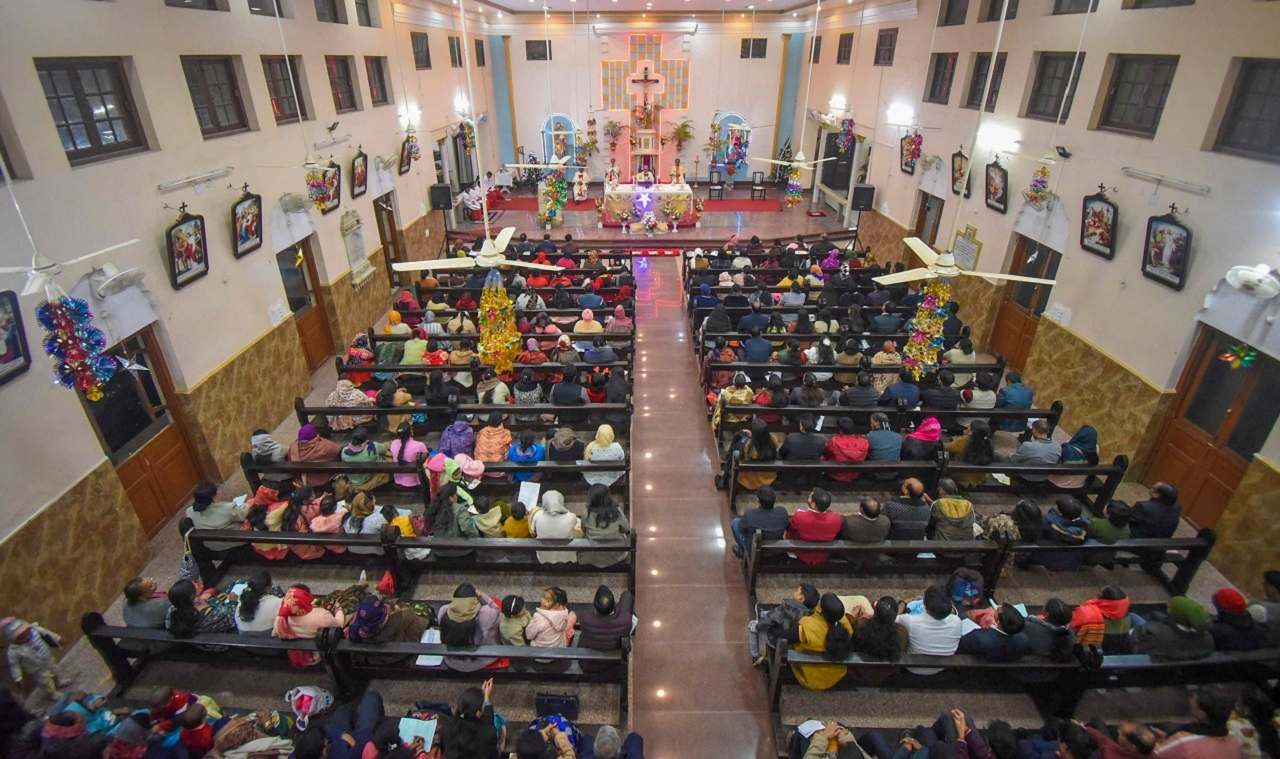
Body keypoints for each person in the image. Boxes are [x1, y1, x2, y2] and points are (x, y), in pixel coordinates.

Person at [791, 593, 855, 690]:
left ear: (820, 609)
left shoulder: (808, 626)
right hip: (837, 674)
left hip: (811, 677)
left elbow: (785, 636)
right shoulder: (846, 625)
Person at [1154, 689, 1244, 757]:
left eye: (1192, 710)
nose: (1190, 714)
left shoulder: (1183, 741)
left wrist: (1150, 741)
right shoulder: (1236, 741)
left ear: (1202, 714)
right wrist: (1167, 741)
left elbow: (1153, 755)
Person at [896, 585, 964, 674]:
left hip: (912, 667)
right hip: (941, 667)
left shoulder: (910, 621)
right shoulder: (957, 621)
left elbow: (893, 618)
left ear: (924, 604)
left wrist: (902, 603)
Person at [1130, 595, 1214, 661]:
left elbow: (1136, 648)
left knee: (1132, 616)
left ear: (1175, 616)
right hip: (1179, 666)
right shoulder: (1208, 640)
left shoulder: (1154, 633)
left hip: (1154, 668)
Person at [440, 680, 501, 759]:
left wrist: (484, 698)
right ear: (478, 713)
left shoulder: (447, 727)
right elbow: (488, 728)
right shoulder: (488, 733)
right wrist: (486, 699)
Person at [184, 480, 248, 551]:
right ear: (213, 497)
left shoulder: (189, 511)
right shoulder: (228, 509)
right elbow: (245, 514)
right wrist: (245, 504)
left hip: (211, 548)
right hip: (234, 544)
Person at [786, 488, 843, 565]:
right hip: (824, 553)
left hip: (802, 552)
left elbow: (790, 529)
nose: (808, 498)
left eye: (810, 497)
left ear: (813, 504)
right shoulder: (836, 518)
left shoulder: (800, 516)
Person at [730, 486, 790, 558]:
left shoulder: (751, 515)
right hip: (777, 549)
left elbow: (741, 529)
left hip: (756, 551)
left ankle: (743, 551)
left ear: (758, 500)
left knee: (735, 523)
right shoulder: (782, 512)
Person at [957, 603, 1030, 662]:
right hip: (1002, 662)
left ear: (998, 621)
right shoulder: (1023, 639)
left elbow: (960, 646)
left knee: (961, 615)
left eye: (997, 611)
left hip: (978, 663)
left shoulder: (978, 637)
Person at [165, 579, 235, 637]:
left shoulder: (172, 612)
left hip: (190, 646)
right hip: (214, 646)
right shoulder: (211, 616)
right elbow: (231, 619)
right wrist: (232, 602)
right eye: (195, 585)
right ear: (193, 597)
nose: (198, 584)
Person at [1070, 586, 1134, 652]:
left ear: (1101, 599)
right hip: (1124, 657)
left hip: (1091, 657)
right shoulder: (1132, 618)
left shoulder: (1086, 614)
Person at [581, 485, 631, 567]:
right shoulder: (616, 511)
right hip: (616, 554)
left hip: (594, 553)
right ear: (608, 496)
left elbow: (584, 530)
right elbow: (626, 529)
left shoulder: (586, 513)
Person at [529, 490, 583, 563]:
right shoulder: (571, 517)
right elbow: (581, 530)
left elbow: (533, 531)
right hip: (567, 558)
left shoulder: (538, 517)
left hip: (544, 559)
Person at [576, 585, 634, 652]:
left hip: (591, 652)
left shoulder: (585, 619)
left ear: (595, 606)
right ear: (613, 604)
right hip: (615, 650)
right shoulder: (625, 620)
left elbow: (582, 618)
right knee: (627, 595)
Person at [1050, 425, 1100, 489]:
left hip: (1060, 482)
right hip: (1080, 483)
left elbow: (1056, 464)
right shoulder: (1096, 448)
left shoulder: (1068, 448)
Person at [341, 428, 391, 492]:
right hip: (367, 479)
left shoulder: (344, 451)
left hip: (352, 479)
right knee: (388, 459)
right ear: (365, 439)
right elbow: (384, 450)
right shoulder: (372, 447)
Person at [233, 570, 282, 634]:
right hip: (268, 638)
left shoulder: (242, 602)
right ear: (268, 588)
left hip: (243, 638)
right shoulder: (277, 602)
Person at [823, 416, 869, 482]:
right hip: (855, 474)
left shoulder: (834, 441)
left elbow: (826, 454)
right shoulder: (864, 442)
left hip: (836, 474)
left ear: (840, 430)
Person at [583, 423, 625, 487]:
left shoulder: (591, 446)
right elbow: (622, 458)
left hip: (594, 475)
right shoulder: (617, 447)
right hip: (612, 475)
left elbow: (586, 459)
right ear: (611, 434)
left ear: (598, 434)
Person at [865, 412, 903, 479]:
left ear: (877, 423)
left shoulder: (870, 436)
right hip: (894, 474)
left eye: (871, 422)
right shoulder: (898, 436)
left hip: (875, 475)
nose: (870, 424)